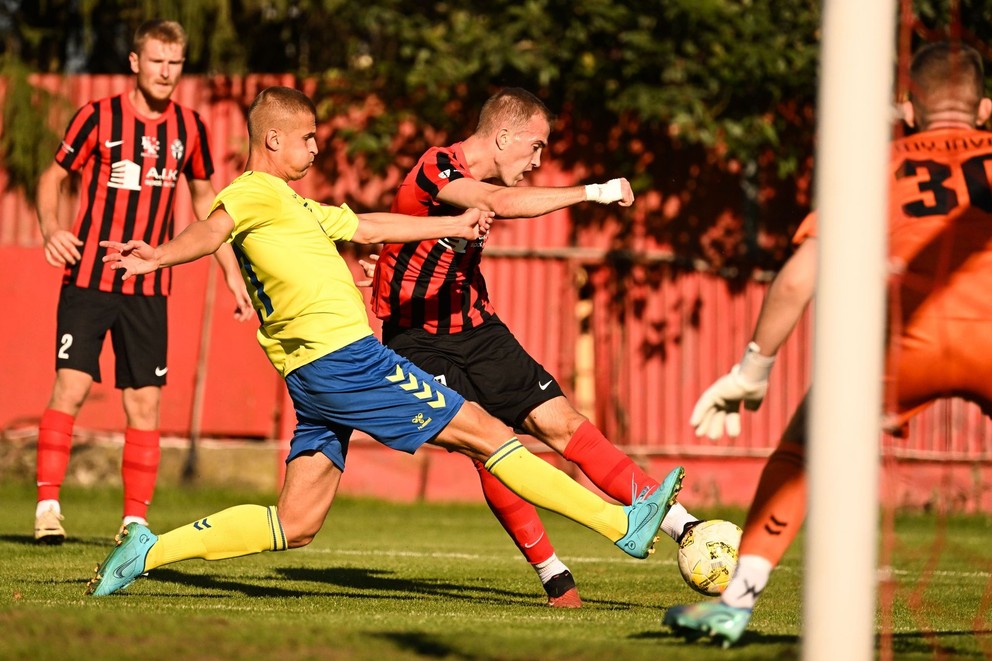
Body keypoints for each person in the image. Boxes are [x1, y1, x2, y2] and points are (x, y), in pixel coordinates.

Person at [84, 85, 685, 597]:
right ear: (273, 140)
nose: (317, 148)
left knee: (296, 523)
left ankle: (147, 550)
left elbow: (369, 225)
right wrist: (159, 255)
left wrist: (450, 224)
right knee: (488, 433)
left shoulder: (294, 204)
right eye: (308, 139)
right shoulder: (250, 192)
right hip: (347, 361)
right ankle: (620, 525)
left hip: (313, 377)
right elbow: (211, 229)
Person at [664, 41, 992, 647]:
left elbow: (796, 277)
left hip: (905, 346)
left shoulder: (880, 164)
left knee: (800, 453)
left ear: (909, 111)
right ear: (986, 108)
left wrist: (752, 371)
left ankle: (734, 604)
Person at [366, 87, 701, 607]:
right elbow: (495, 203)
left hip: (479, 329)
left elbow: (420, 245)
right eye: (536, 146)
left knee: (563, 424)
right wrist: (595, 191)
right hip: (419, 340)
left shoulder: (469, 181)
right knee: (490, 443)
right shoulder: (438, 165)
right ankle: (555, 577)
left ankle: (685, 527)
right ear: (502, 136)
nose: (538, 161)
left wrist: (388, 266)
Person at [33, 19, 252, 544]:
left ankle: (134, 521)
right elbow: (53, 175)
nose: (165, 71)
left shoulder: (191, 128)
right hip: (89, 277)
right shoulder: (97, 116)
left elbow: (206, 204)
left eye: (174, 63)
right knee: (73, 386)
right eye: (156, 60)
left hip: (150, 286)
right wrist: (50, 227)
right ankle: (46, 508)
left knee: (145, 402)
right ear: (135, 62)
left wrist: (229, 271)